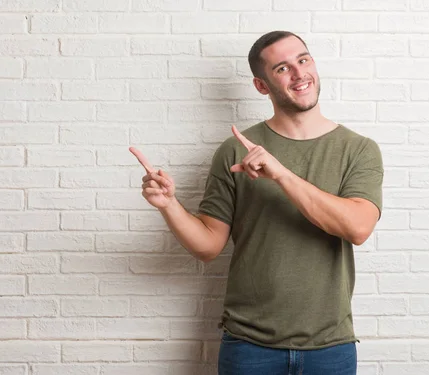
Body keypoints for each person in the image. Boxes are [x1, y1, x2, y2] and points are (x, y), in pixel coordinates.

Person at [130, 30, 383, 375]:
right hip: (249, 348)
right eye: (281, 68)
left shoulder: (358, 149)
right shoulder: (235, 150)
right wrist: (169, 205)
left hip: (330, 347)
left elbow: (358, 227)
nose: (299, 74)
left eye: (303, 59)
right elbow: (208, 247)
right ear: (262, 86)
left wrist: (281, 174)